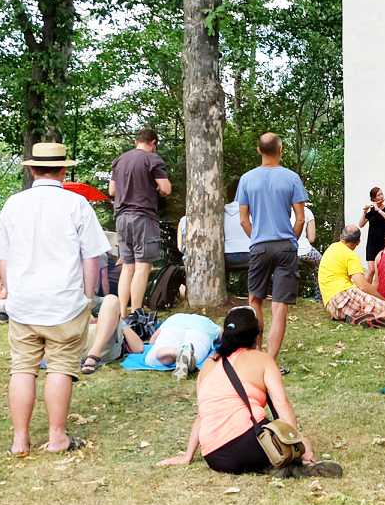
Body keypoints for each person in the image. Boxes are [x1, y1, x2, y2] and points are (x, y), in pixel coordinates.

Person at [0, 142, 110, 455]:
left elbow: (3, 256)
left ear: (32, 169)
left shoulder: (13, 204)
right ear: (63, 171)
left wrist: (9, 290)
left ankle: (20, 439)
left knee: (22, 368)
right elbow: (91, 257)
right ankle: (57, 436)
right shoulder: (77, 204)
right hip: (64, 301)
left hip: (23, 302)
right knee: (60, 367)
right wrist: (88, 296)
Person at [160, 307, 339, 476]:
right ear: (256, 335)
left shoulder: (208, 365)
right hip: (251, 445)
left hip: (215, 457)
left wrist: (188, 455)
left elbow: (202, 416)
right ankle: (296, 464)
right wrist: (299, 442)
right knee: (287, 441)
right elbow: (281, 404)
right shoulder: (263, 360)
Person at [234, 133, 309, 361]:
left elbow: (243, 220)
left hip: (259, 246)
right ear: (281, 150)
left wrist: (256, 237)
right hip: (286, 246)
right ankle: (270, 360)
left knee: (255, 300)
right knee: (279, 305)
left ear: (259, 150)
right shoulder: (292, 178)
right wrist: (292, 241)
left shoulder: (247, 179)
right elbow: (300, 218)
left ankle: (257, 353)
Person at [111, 126, 174, 315]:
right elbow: (166, 188)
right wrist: (158, 189)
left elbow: (112, 191)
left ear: (136, 142)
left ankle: (123, 312)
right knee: (142, 266)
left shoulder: (120, 160)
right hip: (143, 217)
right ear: (153, 143)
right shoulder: (152, 159)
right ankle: (137, 312)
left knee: (127, 266)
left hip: (121, 218)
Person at [318, 227, 385, 327]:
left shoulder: (332, 247)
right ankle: (377, 320)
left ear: (341, 237)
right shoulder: (350, 255)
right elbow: (362, 285)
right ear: (358, 242)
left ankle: (359, 317)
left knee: (367, 307)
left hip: (332, 306)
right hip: (343, 296)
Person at [79, 295, 148, 375]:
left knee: (111, 299)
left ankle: (93, 354)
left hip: (99, 345)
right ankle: (92, 356)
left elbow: (139, 348)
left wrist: (116, 320)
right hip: (73, 343)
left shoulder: (115, 323)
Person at [359, 187, 385, 263]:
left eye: (381, 194)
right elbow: (361, 224)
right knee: (371, 268)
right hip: (372, 243)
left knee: (383, 266)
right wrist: (365, 211)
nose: (381, 196)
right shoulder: (371, 211)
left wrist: (379, 210)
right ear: (374, 199)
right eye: (378, 195)